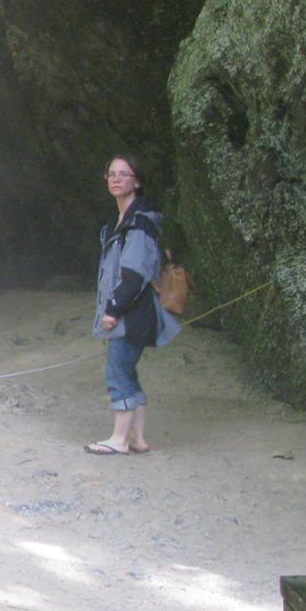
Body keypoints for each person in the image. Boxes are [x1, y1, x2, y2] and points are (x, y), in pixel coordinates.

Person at [87, 153, 178, 454]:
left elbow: (133, 273)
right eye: (111, 174)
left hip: (133, 312)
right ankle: (137, 439)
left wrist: (113, 309)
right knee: (127, 370)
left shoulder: (138, 224)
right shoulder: (125, 221)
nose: (115, 179)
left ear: (136, 181)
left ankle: (118, 440)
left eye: (123, 174)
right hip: (135, 310)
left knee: (118, 372)